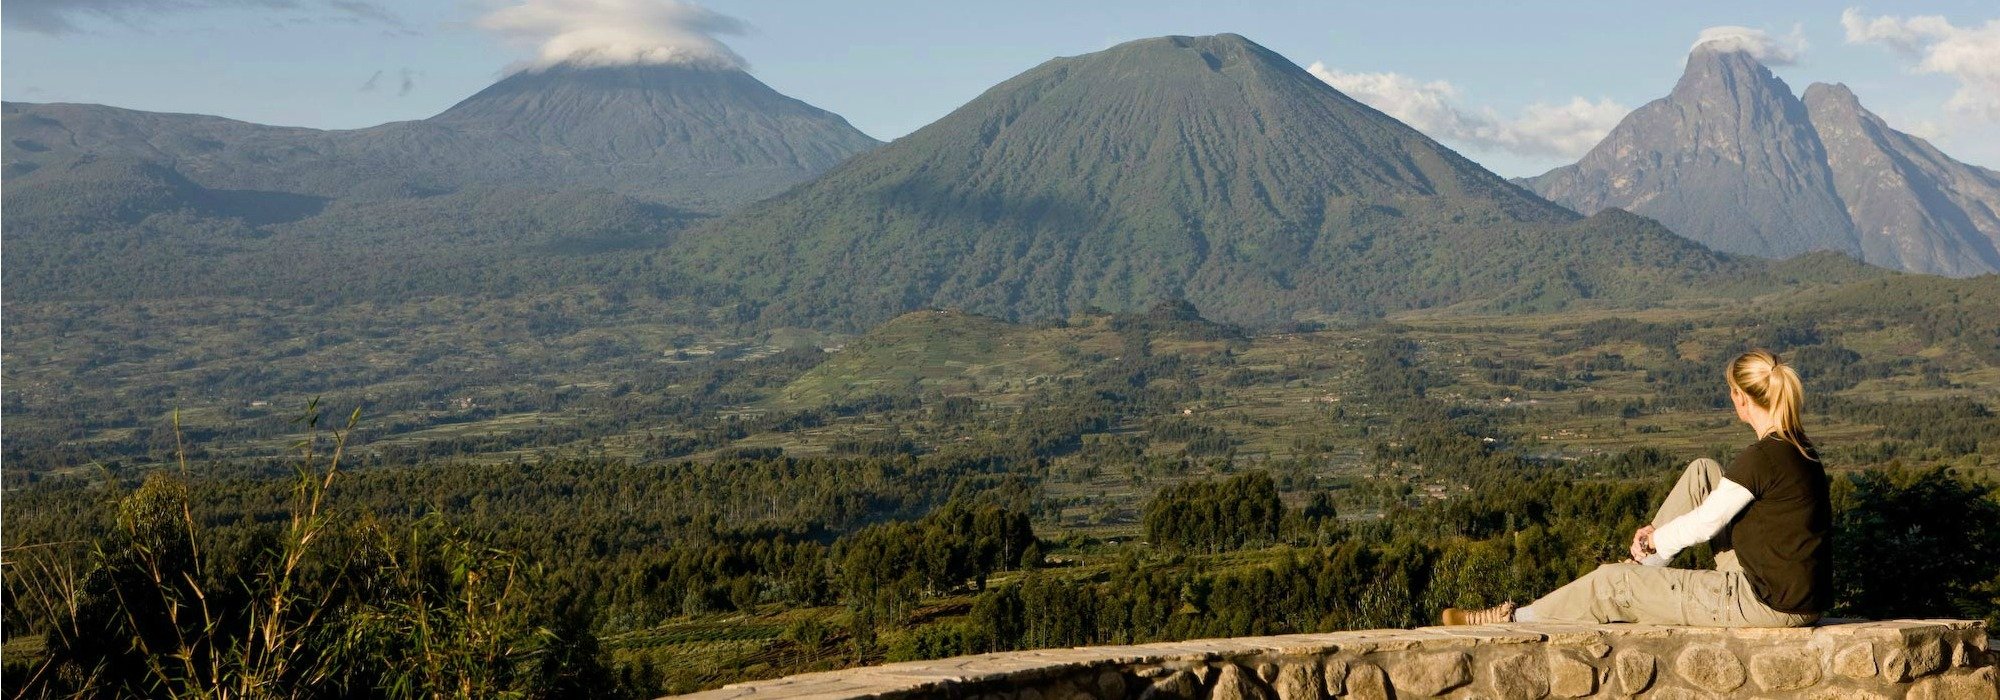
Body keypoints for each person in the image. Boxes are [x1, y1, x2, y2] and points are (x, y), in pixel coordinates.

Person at [1440, 349, 1831, 627]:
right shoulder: (1797, 447)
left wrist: (1657, 537)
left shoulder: (1761, 457)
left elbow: (1704, 526)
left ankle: (1513, 619)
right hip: (1789, 592)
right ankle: (1643, 567)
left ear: (1740, 399)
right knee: (1703, 472)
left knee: (1612, 581)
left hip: (1763, 602)